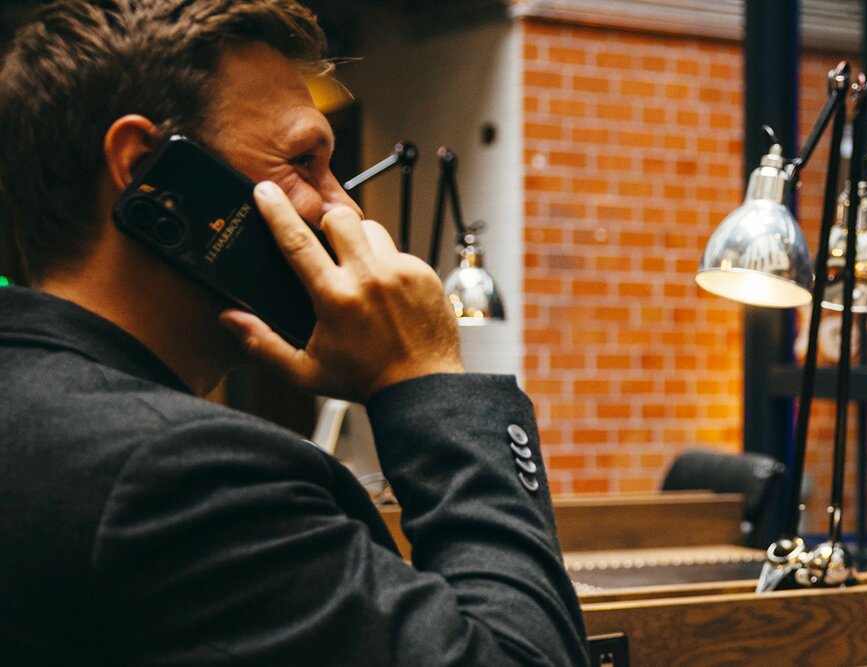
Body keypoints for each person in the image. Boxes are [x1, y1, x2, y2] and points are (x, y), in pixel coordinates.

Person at [0, 1, 589, 665]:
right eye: (304, 160)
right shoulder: (182, 477)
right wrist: (424, 377)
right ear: (146, 172)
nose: (342, 206)